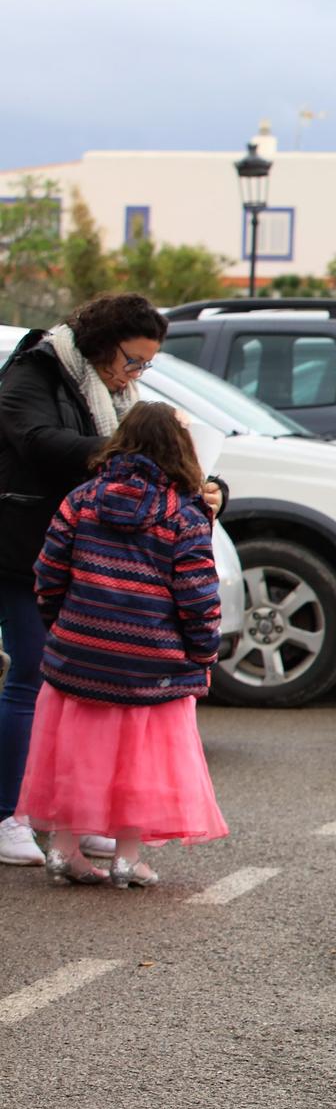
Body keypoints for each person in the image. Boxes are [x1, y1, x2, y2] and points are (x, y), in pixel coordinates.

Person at [19, 402, 227, 886]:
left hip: (79, 655)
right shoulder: (184, 513)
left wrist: (64, 627)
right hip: (152, 664)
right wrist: (203, 654)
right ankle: (126, 857)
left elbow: (47, 574)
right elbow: (198, 596)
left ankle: (63, 848)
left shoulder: (81, 500)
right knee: (139, 761)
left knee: (74, 754)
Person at [0, 293, 167, 867]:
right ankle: (9, 814)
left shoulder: (115, 391)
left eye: (146, 365)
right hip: (23, 548)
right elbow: (37, 441)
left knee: (78, 692)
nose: (135, 374)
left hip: (79, 554)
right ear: (101, 343)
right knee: (30, 677)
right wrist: (123, 451)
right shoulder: (36, 369)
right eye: (132, 359)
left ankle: (72, 814)